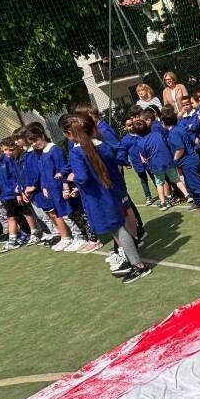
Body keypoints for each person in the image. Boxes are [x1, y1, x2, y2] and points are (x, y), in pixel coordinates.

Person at [62, 112, 151, 284]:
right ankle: (131, 259)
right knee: (118, 228)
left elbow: (82, 177)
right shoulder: (102, 145)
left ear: (71, 134)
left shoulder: (77, 152)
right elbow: (115, 162)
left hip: (98, 198)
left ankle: (139, 266)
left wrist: (70, 177)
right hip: (111, 192)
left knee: (118, 229)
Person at [162, 107, 200, 214]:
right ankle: (198, 202)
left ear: (165, 122)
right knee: (189, 184)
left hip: (188, 161)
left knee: (194, 183)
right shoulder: (179, 128)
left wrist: (174, 160)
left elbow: (180, 148)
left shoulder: (173, 133)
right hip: (190, 159)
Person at [0, 136, 39, 251]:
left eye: (8, 149)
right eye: (5, 149)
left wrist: (18, 191)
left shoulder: (9, 160)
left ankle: (33, 233)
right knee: (13, 217)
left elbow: (15, 176)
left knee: (25, 213)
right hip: (6, 195)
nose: (6, 152)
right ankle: (18, 238)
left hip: (15, 193)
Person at [135, 117, 180, 210]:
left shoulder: (141, 141)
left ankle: (164, 202)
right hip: (167, 161)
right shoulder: (156, 134)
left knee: (160, 183)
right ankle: (184, 195)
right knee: (174, 179)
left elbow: (144, 155)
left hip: (156, 165)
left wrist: (144, 157)